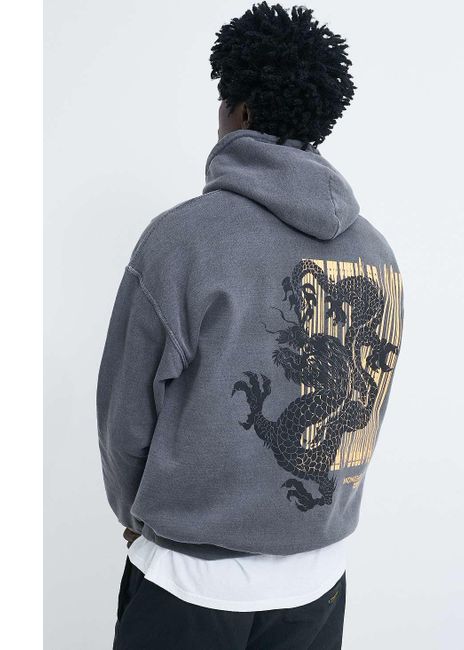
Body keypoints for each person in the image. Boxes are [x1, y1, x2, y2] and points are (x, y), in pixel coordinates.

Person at [97, 3, 404, 649]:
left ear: (238, 111)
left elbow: (125, 417)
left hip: (190, 583)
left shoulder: (182, 239)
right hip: (318, 579)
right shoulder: (377, 252)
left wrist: (137, 515)